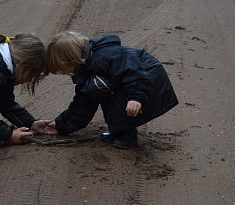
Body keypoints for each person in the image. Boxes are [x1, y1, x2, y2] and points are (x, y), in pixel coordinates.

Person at [44, 32, 179, 149]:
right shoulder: (86, 67)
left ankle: (127, 133)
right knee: (96, 89)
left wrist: (135, 98)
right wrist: (61, 126)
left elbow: (134, 74)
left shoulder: (107, 56)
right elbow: (83, 104)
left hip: (148, 77)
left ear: (71, 60)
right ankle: (118, 129)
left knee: (112, 94)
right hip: (134, 79)